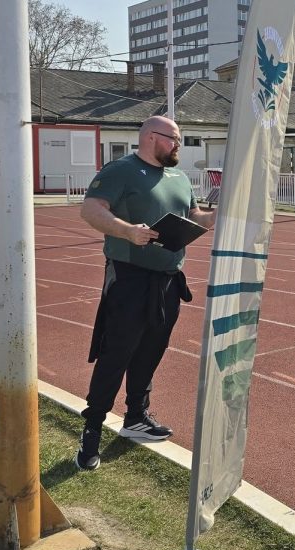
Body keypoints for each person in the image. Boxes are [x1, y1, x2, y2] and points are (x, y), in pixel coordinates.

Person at [75, 115, 217, 471]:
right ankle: (91, 431)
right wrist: (127, 231)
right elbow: (90, 209)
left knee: (152, 348)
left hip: (168, 278)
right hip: (129, 277)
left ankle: (136, 417)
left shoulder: (180, 178)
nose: (179, 147)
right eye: (175, 140)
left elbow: (195, 217)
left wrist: (216, 215)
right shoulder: (120, 170)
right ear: (152, 137)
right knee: (117, 352)